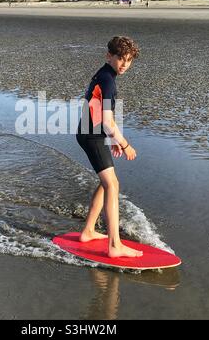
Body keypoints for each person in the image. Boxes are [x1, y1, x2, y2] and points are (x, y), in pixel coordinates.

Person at [76, 36, 143, 258]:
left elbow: (97, 112)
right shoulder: (108, 81)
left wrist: (111, 138)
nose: (124, 64)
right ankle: (115, 245)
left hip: (91, 133)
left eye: (129, 60)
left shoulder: (104, 75)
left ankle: (88, 231)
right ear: (109, 56)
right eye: (120, 58)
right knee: (112, 185)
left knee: (107, 183)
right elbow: (106, 121)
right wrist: (124, 144)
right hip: (91, 136)